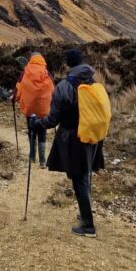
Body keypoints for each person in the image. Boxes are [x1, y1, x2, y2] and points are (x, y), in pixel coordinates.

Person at [33, 48, 105, 236]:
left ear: (68, 64)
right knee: (85, 176)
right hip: (93, 136)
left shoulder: (64, 87)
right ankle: (84, 215)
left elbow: (53, 120)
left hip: (74, 139)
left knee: (79, 180)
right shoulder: (93, 81)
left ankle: (88, 225)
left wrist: (38, 123)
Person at [12, 52, 54, 168]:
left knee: (31, 130)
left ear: (31, 59)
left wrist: (15, 98)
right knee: (42, 132)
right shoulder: (46, 73)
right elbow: (52, 89)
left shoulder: (26, 71)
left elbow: (19, 87)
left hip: (30, 108)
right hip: (43, 109)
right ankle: (42, 160)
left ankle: (32, 157)